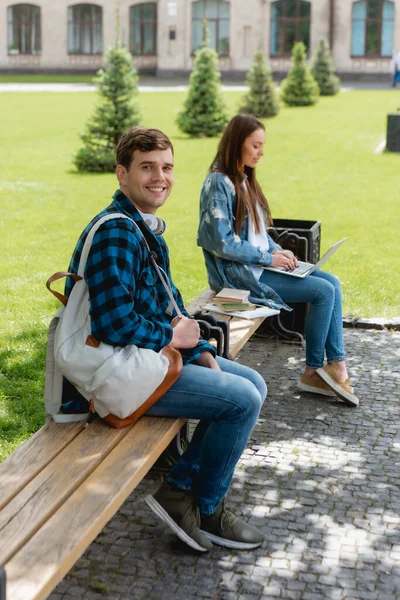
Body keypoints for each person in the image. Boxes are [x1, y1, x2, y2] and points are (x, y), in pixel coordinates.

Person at [65, 126, 267, 552]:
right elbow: (112, 325)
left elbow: (170, 306)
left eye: (167, 167)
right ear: (122, 174)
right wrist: (173, 337)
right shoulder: (117, 233)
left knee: (255, 384)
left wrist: (201, 349)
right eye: (147, 168)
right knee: (241, 400)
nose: (161, 177)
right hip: (114, 374)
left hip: (149, 360)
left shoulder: (144, 228)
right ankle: (199, 504)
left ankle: (184, 491)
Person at [197, 113, 359, 407]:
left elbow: (258, 232)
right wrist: (267, 258)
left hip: (259, 266)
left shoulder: (244, 180)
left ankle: (333, 365)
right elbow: (221, 242)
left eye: (262, 146)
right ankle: (315, 369)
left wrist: (278, 250)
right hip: (240, 277)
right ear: (237, 143)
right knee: (323, 291)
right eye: (255, 145)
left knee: (332, 282)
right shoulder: (218, 184)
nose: (261, 152)